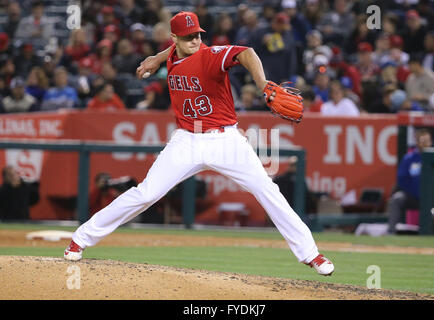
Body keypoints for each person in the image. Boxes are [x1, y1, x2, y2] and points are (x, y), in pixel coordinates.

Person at [64, 11, 334, 276]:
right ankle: (81, 238)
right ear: (175, 38)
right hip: (187, 140)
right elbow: (171, 53)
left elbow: (246, 52)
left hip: (226, 139)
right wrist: (155, 60)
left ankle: (311, 255)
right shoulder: (172, 53)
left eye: (197, 34)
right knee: (146, 193)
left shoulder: (210, 55)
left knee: (267, 189)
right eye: (187, 36)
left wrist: (262, 83)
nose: (194, 40)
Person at [386, 129, 434, 234]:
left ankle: (431, 235)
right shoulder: (409, 158)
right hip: (413, 197)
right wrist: (418, 192)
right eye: (421, 141)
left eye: (427, 141)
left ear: (431, 142)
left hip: (433, 197)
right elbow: (402, 179)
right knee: (396, 199)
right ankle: (390, 232)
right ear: (416, 142)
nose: (424, 144)